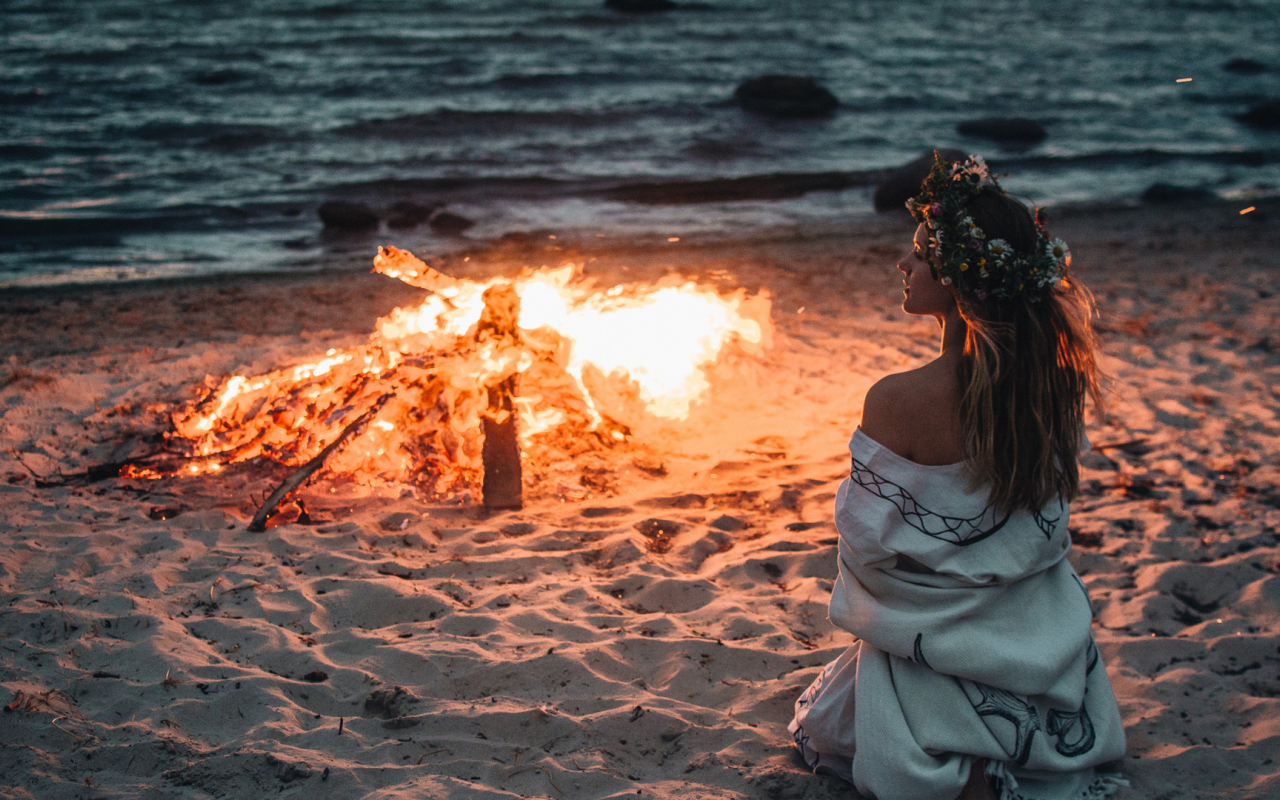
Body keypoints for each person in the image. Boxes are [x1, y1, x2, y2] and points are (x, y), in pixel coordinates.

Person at [788, 154, 1126, 800]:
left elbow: (868, 559)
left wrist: (921, 601)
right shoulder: (1052, 388)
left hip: (933, 630)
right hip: (1032, 626)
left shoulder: (897, 399)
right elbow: (1043, 537)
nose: (903, 266)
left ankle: (958, 743)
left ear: (959, 276)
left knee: (834, 711)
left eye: (919, 254)